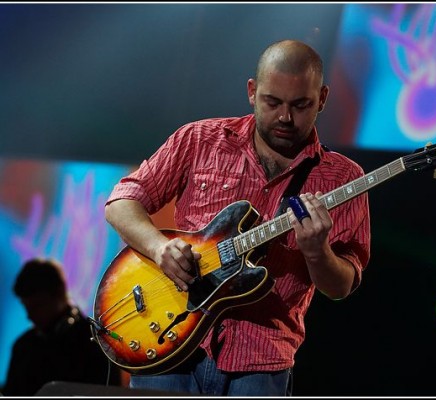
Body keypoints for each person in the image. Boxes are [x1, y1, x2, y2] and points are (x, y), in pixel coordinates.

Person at [104, 39, 371, 396]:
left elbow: (340, 287)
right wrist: (158, 248)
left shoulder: (344, 179)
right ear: (252, 91)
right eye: (272, 102)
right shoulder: (200, 139)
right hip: (168, 340)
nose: (285, 118)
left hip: (259, 362)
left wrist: (317, 250)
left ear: (322, 98)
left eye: (301, 105)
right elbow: (121, 201)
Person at [2, 258, 121, 396]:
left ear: (59, 293)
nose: (30, 316)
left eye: (36, 306)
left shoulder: (96, 342)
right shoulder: (23, 346)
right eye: (26, 307)